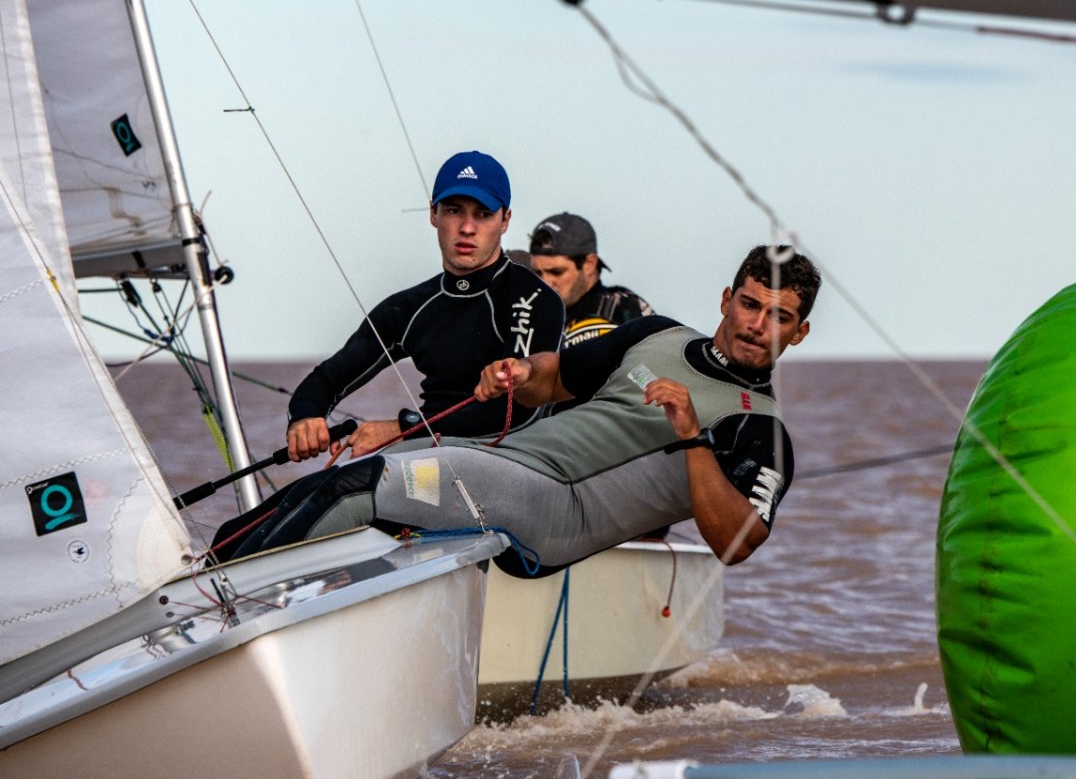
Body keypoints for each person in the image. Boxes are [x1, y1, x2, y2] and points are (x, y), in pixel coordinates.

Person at [227, 245, 820, 574]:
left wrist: (692, 438)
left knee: (358, 488)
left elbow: (735, 544)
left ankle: (211, 591)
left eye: (779, 317)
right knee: (329, 480)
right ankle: (211, 567)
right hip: (506, 462)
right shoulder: (656, 335)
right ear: (727, 297)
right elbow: (555, 379)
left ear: (798, 333)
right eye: (749, 304)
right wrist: (520, 372)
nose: (755, 325)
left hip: (555, 506)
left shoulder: (761, 430)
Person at [285, 151, 564, 462]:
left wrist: (402, 429)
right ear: (434, 214)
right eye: (454, 211)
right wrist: (305, 418)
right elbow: (327, 379)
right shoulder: (409, 308)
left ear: (505, 220)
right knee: (312, 497)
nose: (467, 228)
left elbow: (517, 413)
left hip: (515, 465)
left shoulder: (532, 299)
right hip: (432, 457)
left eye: (483, 214)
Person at [528, 212, 653, 348]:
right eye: (537, 273)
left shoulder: (613, 315)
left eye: (556, 272)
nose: (545, 283)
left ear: (589, 264)